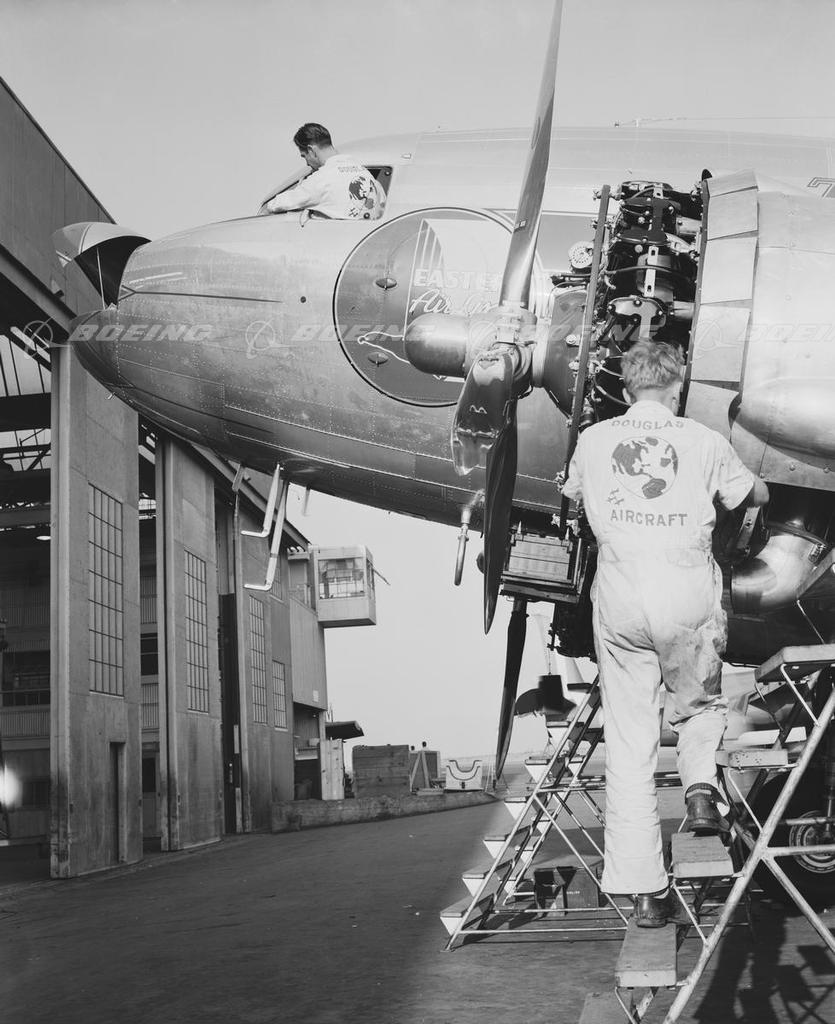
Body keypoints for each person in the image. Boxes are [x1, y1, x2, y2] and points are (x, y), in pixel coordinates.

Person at [562, 340, 769, 928]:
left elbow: (572, 495)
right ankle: (701, 790)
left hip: (620, 596)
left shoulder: (594, 440)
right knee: (699, 705)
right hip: (685, 591)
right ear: (678, 387)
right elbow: (752, 495)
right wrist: (754, 486)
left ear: (627, 388)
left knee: (630, 745)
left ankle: (646, 895)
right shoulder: (704, 440)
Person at [259, 123, 382, 220]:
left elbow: (279, 203)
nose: (307, 163)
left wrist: (266, 208)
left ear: (311, 150)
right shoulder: (365, 173)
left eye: (304, 156)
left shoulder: (322, 179)